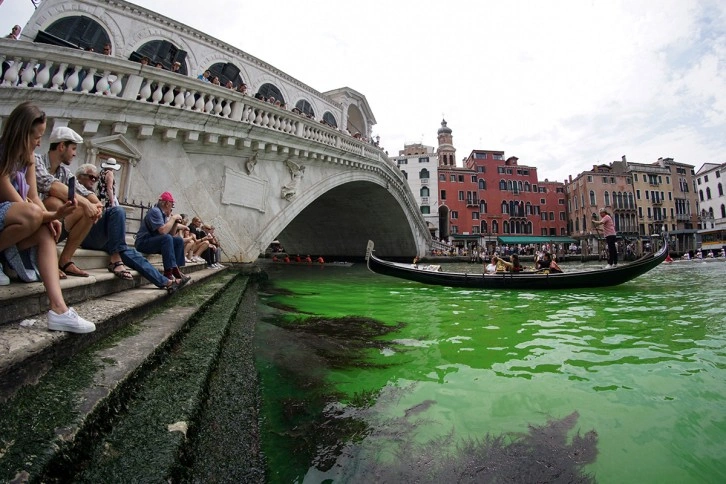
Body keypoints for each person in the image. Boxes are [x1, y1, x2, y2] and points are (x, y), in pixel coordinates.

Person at [0, 102, 95, 332]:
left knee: (46, 230)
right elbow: (17, 201)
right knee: (37, 215)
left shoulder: (29, 158)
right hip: (8, 214)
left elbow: (33, 195)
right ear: (22, 132)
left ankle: (59, 309)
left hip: (19, 218)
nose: (39, 143)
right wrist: (46, 214)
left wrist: (53, 217)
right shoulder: (3, 153)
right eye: (36, 137)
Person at [75, 164, 181, 292]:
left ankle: (165, 281)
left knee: (131, 253)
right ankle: (115, 259)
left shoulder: (92, 194)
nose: (94, 180)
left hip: (100, 236)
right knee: (118, 211)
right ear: (79, 177)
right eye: (90, 177)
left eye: (96, 178)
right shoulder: (74, 189)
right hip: (84, 235)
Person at [35, 126, 102, 278]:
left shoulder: (64, 172)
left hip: (54, 223)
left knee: (88, 211)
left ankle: (65, 260)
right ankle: (47, 261)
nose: (74, 153)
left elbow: (84, 192)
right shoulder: (36, 160)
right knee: (54, 202)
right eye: (73, 148)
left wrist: (96, 204)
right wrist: (86, 203)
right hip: (34, 221)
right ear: (61, 146)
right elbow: (50, 185)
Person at [134, 191, 190, 285]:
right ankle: (168, 273)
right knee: (167, 238)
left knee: (178, 240)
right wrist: (172, 218)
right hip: (143, 242)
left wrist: (175, 223)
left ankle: (176, 269)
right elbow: (163, 232)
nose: (172, 207)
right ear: (167, 203)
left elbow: (171, 235)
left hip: (154, 242)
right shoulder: (155, 211)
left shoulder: (162, 214)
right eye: (172, 205)